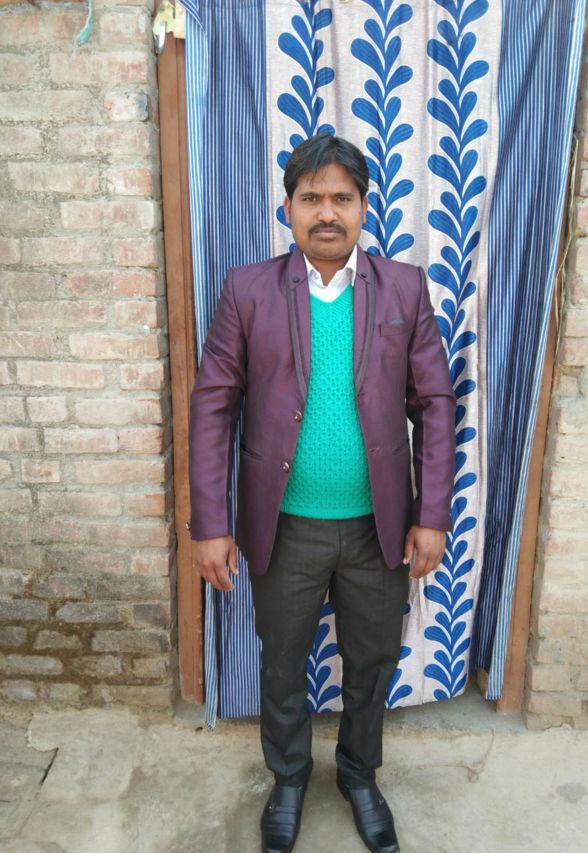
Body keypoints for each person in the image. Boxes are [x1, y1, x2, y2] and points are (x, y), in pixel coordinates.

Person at [188, 134, 455, 853]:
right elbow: (213, 406)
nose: (327, 212)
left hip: (379, 526)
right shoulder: (248, 290)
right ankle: (289, 778)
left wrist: (432, 514)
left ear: (365, 206)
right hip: (285, 527)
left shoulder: (404, 288)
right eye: (311, 198)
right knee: (283, 661)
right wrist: (210, 523)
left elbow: (434, 403)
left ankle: (360, 776)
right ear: (288, 209)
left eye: (342, 197)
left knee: (372, 660)